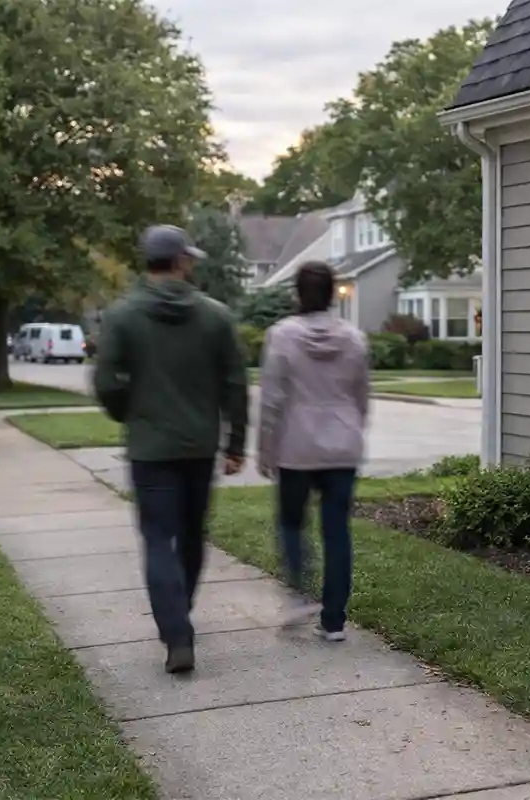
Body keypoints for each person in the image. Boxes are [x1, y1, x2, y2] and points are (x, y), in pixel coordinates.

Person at [93, 224, 249, 674]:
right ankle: (181, 613)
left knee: (158, 538)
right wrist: (235, 442)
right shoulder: (215, 316)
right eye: (190, 258)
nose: (193, 264)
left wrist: (129, 413)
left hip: (149, 449)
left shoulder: (122, 317)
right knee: (193, 535)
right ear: (180, 261)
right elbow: (235, 385)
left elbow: (105, 382)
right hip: (199, 447)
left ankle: (176, 633)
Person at [257, 260, 370, 641]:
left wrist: (264, 449)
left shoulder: (281, 336)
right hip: (342, 446)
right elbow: (361, 396)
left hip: (295, 447)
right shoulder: (354, 338)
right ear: (332, 293)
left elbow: (271, 399)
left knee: (291, 523)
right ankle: (333, 620)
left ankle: (299, 592)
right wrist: (356, 431)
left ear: (298, 294)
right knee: (337, 532)